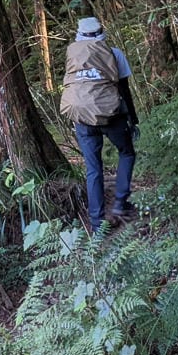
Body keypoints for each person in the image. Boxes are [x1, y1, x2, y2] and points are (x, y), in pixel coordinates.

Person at [59, 16, 139, 233]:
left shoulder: (72, 54)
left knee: (93, 169)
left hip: (82, 118)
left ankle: (96, 224)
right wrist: (133, 120)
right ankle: (120, 204)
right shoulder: (114, 53)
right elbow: (124, 89)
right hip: (111, 115)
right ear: (101, 32)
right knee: (127, 153)